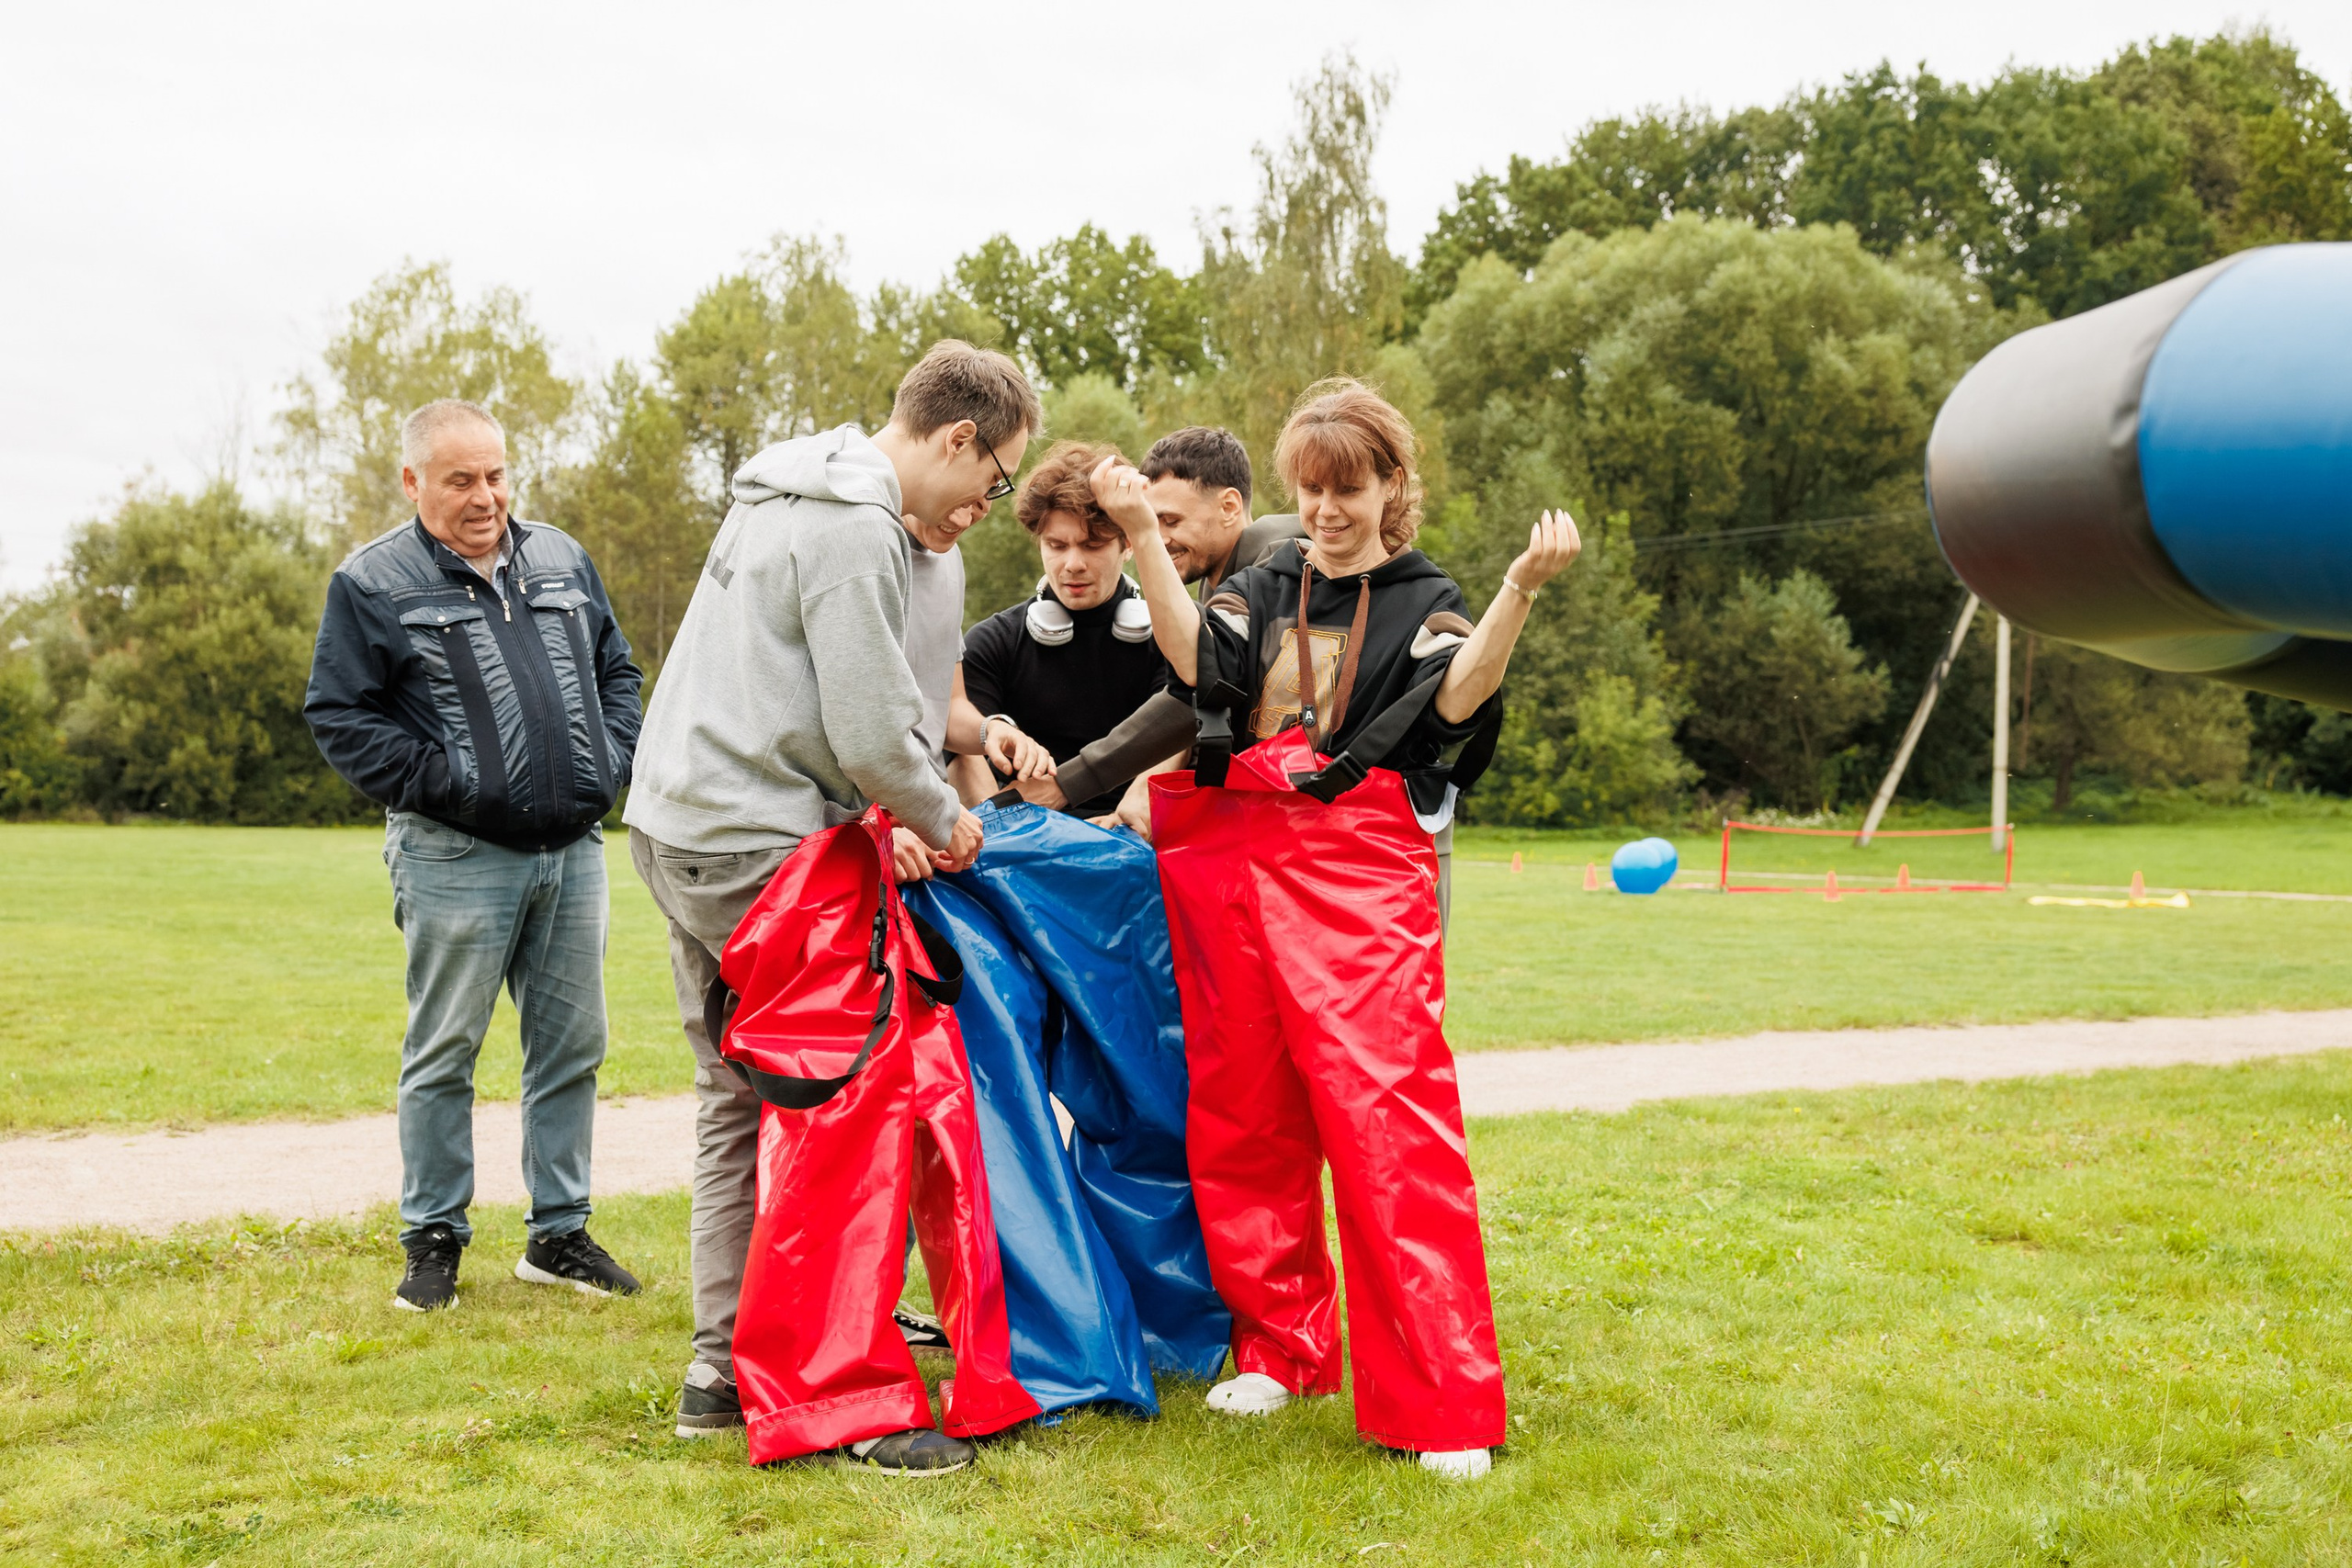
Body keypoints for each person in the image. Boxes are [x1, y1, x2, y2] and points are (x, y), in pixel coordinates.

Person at [1100, 378, 1581, 1481]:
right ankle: (1283, 1346)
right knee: (1241, 1110)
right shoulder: (1265, 582)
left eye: (1348, 489)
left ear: (1390, 487)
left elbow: (1454, 706)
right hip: (1228, 865)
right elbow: (1192, 668)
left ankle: (1442, 1400)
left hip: (1360, 876)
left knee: (1387, 1128)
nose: (1325, 510)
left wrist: (1516, 592)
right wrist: (1142, 541)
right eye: (1311, 490)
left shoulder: (1428, 597)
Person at [625, 340, 1044, 1475]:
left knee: (738, 1093)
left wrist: (973, 736)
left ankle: (721, 1369)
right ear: (957, 437)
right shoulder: (856, 528)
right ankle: (840, 1398)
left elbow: (881, 698)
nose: (986, 507)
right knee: (845, 1111)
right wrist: (944, 818)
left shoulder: (795, 494)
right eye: (995, 481)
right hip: (762, 850)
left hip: (677, 829)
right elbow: (868, 740)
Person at [303, 398, 644, 1314]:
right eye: (461, 480)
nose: (486, 496)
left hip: (571, 852)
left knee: (573, 1047)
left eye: (496, 474)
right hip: (455, 856)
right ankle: (434, 1241)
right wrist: (451, 781)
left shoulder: (562, 557)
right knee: (444, 1053)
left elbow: (618, 673)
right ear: (414, 482)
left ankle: (559, 1235)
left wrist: (606, 763)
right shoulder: (372, 583)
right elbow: (339, 715)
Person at [957, 441, 1171, 820]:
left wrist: (1130, 826)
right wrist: (997, 836)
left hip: (1130, 840)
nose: (1073, 564)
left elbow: (1175, 738)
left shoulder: (1170, 641)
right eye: (1056, 545)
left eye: (1092, 545)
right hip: (1017, 841)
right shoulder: (992, 643)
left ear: (1128, 545)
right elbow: (963, 751)